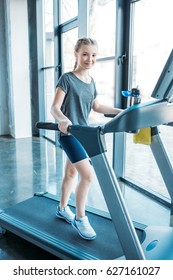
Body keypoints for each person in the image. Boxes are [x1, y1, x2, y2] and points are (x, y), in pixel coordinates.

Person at [51, 37, 123, 240]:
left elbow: (97, 107)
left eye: (93, 55)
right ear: (76, 54)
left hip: (84, 134)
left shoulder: (91, 82)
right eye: (84, 54)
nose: (89, 59)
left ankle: (62, 209)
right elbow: (54, 107)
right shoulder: (67, 78)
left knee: (71, 173)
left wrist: (121, 112)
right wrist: (63, 119)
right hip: (69, 134)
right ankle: (80, 218)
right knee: (88, 175)